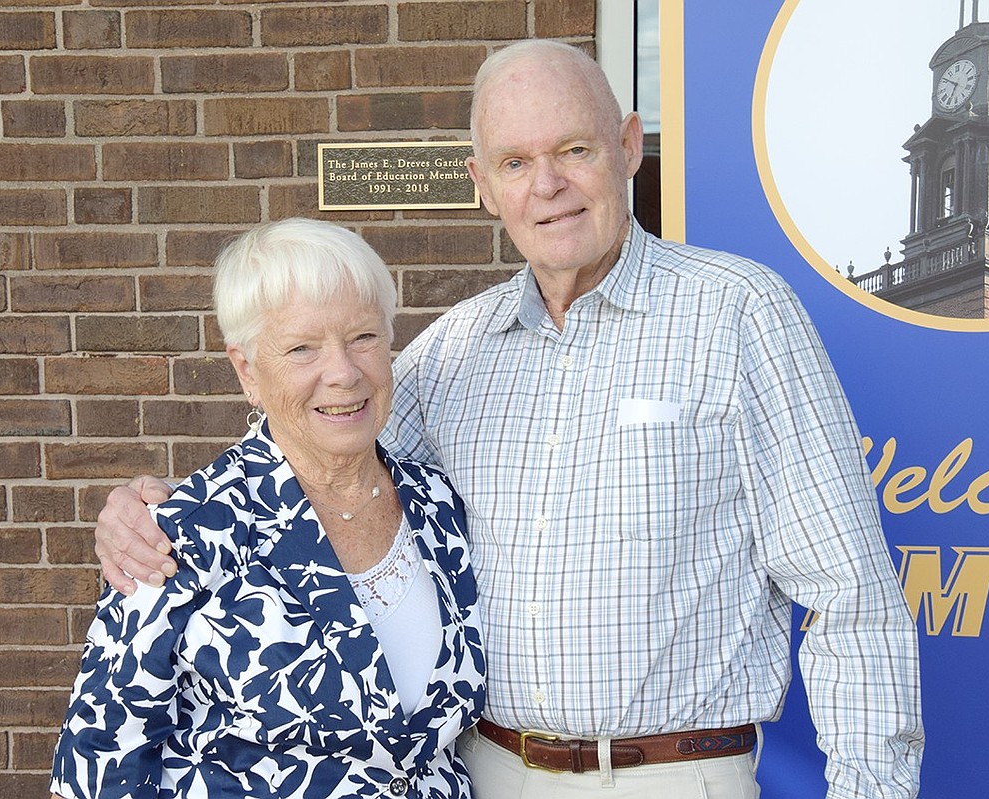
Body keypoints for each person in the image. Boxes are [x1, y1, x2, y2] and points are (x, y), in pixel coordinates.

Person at [94, 40, 923, 799]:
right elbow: (319, 446)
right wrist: (158, 513)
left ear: (629, 147)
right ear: (482, 185)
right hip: (486, 775)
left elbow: (851, 597)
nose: (548, 185)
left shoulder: (739, 314)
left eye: (574, 149)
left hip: (672, 776)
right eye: (516, 162)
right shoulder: (456, 350)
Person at [51, 218, 486, 799]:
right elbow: (97, 766)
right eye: (302, 348)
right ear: (247, 371)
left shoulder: (439, 505)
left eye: (363, 337)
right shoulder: (188, 530)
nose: (343, 372)